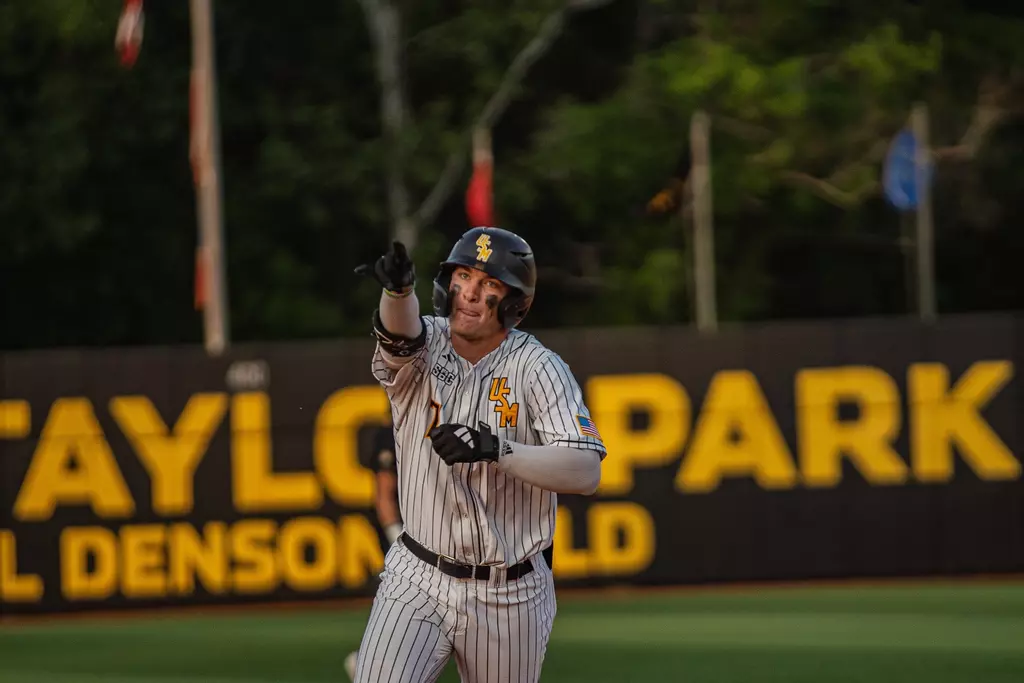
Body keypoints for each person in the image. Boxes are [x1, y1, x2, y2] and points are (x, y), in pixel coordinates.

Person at [350, 227, 607, 683]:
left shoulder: (538, 367)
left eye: (489, 283)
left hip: (511, 592)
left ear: (515, 302)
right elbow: (399, 332)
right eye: (463, 275)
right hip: (418, 575)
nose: (469, 292)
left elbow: (585, 471)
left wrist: (496, 449)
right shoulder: (427, 345)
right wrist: (398, 291)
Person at [344, 423, 403, 681]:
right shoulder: (390, 433)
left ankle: (371, 661)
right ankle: (369, 661)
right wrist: (398, 539)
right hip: (407, 537)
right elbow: (384, 494)